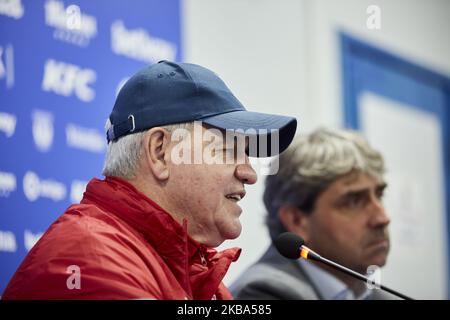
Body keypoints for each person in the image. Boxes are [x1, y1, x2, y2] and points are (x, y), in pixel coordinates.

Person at [2, 60, 296, 300]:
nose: (250, 173)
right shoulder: (91, 263)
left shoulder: (192, 268)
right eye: (229, 150)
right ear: (160, 152)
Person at [231, 127, 395, 300]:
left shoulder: (372, 294)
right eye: (353, 201)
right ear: (297, 220)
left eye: (379, 195)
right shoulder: (263, 293)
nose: (382, 218)